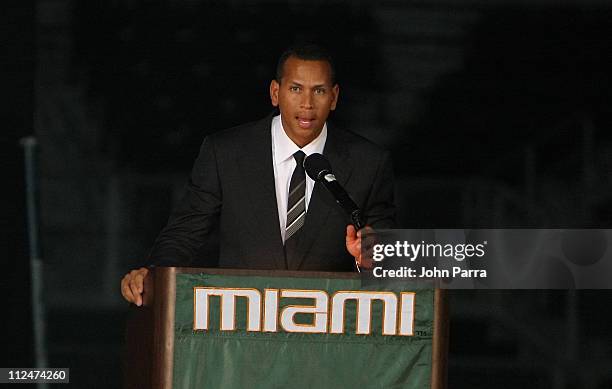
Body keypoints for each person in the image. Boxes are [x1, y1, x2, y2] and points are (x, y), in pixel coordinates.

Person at [121, 44, 395, 305]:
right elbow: (184, 234)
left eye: (319, 91)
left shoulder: (367, 162)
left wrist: (372, 258)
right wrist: (154, 276)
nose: (307, 103)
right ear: (275, 93)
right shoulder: (225, 153)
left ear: (334, 97)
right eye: (296, 89)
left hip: (327, 335)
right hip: (241, 331)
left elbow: (389, 255)